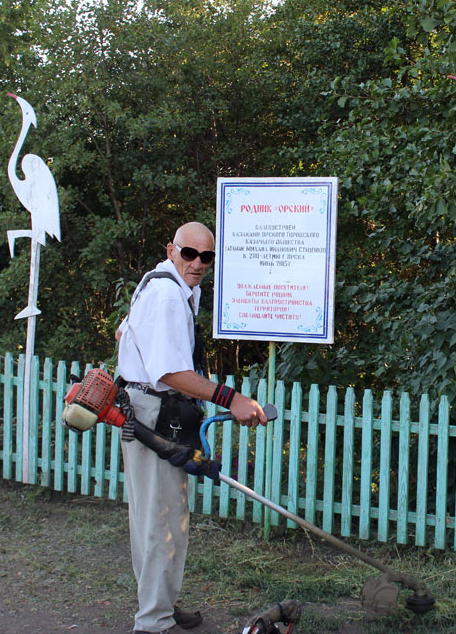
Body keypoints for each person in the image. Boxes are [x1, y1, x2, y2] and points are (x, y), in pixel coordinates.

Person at [116, 221, 268, 634]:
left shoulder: (167, 284)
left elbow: (125, 331)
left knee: (154, 517)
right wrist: (230, 398)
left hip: (146, 405)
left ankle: (159, 604)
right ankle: (153, 622)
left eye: (207, 257)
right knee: (163, 520)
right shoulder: (167, 293)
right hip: (155, 411)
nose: (198, 263)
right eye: (189, 254)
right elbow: (170, 371)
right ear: (172, 250)